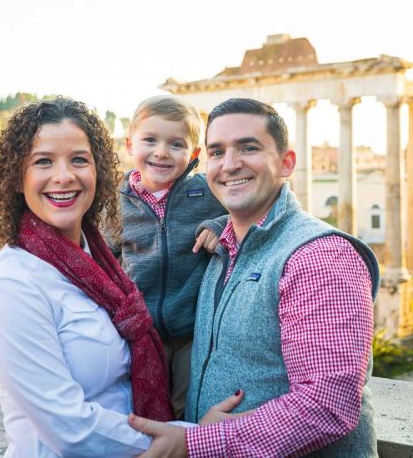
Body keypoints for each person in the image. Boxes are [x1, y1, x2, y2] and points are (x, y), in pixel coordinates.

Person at [129, 98, 380, 457]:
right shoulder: (220, 250)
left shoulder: (320, 256)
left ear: (287, 162)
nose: (230, 165)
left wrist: (195, 442)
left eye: (248, 147)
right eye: (217, 152)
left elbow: (328, 405)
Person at [0, 97, 174, 457]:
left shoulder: (100, 264)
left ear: (98, 172)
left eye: (79, 159)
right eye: (43, 162)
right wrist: (193, 439)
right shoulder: (9, 285)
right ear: (18, 178)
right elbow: (72, 430)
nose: (64, 176)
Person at [111, 95, 227, 416]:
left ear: (194, 154)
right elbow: (103, 257)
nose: (161, 151)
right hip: (143, 330)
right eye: (150, 140)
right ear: (130, 145)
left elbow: (248, 211)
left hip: (194, 330)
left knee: (188, 406)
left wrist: (220, 225)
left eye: (176, 144)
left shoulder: (206, 192)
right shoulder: (116, 202)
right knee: (146, 403)